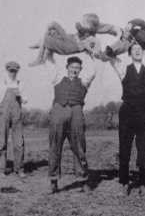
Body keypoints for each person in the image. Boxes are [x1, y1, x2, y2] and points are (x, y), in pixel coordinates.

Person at [109, 42, 145, 195]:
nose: (137, 51)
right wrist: (123, 40)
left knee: (144, 149)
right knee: (124, 149)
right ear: (129, 53)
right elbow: (111, 57)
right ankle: (123, 182)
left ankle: (143, 183)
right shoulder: (123, 69)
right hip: (127, 112)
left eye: (140, 49)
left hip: (144, 113)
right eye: (134, 49)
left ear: (143, 52)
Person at [47, 56, 96, 193]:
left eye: (77, 68)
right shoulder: (57, 79)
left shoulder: (84, 82)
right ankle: (53, 180)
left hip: (76, 111)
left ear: (80, 70)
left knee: (79, 146)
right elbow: (49, 63)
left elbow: (93, 71)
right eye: (72, 67)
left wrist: (89, 53)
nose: (74, 70)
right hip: (58, 110)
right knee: (55, 146)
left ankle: (82, 180)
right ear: (67, 67)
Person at [29, 13, 121, 66]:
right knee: (52, 25)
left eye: (83, 22)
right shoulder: (84, 28)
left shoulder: (92, 40)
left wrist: (111, 56)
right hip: (69, 38)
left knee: (46, 38)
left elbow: (99, 54)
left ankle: (40, 59)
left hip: (69, 46)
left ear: (89, 26)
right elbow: (100, 26)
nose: (81, 23)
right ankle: (44, 51)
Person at [0, 61, 27, 178]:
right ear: (7, 70)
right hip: (3, 114)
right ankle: (1, 169)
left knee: (19, 142)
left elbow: (25, 100)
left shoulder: (20, 83)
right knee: (1, 141)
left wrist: (20, 95)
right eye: (11, 71)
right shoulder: (2, 83)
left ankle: (19, 169)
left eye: (15, 71)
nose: (12, 73)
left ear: (17, 71)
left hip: (17, 114)